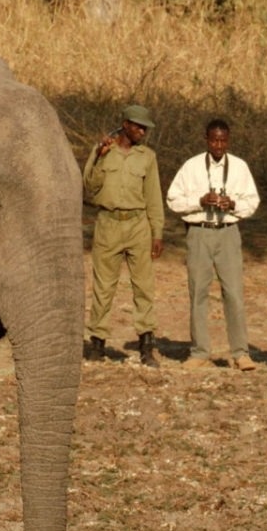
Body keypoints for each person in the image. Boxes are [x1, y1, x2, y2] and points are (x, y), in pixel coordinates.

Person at [166, 118, 261, 370]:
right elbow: (173, 200)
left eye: (223, 140)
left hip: (228, 231)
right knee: (197, 292)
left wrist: (232, 204)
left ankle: (241, 353)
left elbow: (253, 201)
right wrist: (200, 200)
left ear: (228, 141)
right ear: (206, 140)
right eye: (214, 140)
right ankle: (199, 352)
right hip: (199, 232)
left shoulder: (240, 167)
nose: (219, 145)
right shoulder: (191, 166)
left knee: (234, 293)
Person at [83, 104, 165, 366]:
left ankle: (146, 344)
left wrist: (157, 232)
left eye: (145, 127)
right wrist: (99, 157)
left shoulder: (147, 157)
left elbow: (153, 197)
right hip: (108, 223)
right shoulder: (102, 151)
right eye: (138, 126)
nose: (142, 131)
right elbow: (89, 189)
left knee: (143, 286)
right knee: (103, 287)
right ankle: (97, 343)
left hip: (138, 224)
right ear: (126, 124)